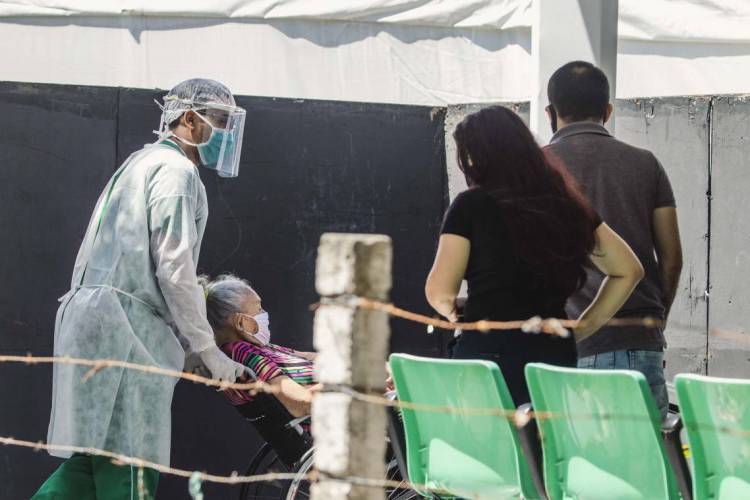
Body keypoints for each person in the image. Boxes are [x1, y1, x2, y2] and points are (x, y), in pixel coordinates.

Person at [34, 79, 249, 500]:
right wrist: (207, 348)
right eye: (220, 122)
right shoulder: (177, 172)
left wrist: (186, 343)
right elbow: (174, 267)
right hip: (123, 328)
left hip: (92, 319)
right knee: (131, 461)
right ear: (190, 118)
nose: (224, 134)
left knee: (92, 456)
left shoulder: (139, 163)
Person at [425, 105, 644, 405]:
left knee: (490, 450)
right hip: (553, 353)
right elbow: (628, 270)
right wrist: (581, 328)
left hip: (488, 357)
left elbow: (439, 291)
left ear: (475, 157)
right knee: (547, 449)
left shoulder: (470, 206)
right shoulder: (565, 205)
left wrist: (455, 310)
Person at [544, 61, 683, 418]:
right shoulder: (645, 164)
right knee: (645, 465)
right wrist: (658, 318)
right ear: (607, 111)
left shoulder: (536, 167)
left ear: (550, 113)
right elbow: (671, 257)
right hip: (640, 339)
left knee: (577, 465)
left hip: (564, 346)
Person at [201, 275, 319, 417]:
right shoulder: (243, 355)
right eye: (258, 309)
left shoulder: (257, 348)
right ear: (239, 321)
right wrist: (347, 381)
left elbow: (306, 356)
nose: (264, 314)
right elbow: (302, 404)